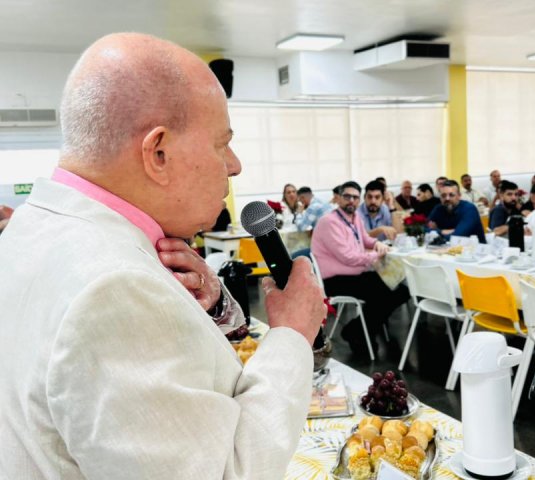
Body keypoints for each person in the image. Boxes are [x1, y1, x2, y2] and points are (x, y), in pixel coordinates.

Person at [0, 33, 327, 479]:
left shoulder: (32, 227)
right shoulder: (114, 288)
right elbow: (226, 471)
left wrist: (205, 307)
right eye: (221, 144)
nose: (234, 165)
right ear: (158, 153)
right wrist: (292, 334)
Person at [311, 181, 409, 355]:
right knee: (385, 294)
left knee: (401, 290)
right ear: (338, 198)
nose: (351, 200)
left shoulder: (355, 217)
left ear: (359, 200)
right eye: (347, 196)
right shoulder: (329, 222)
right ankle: (359, 332)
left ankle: (357, 330)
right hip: (334, 280)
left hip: (355, 275)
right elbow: (348, 257)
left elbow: (364, 239)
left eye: (355, 197)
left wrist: (377, 243)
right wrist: (376, 255)